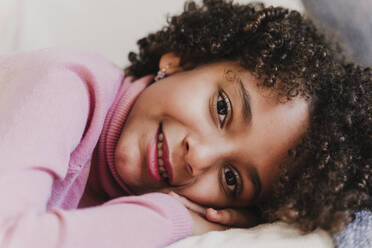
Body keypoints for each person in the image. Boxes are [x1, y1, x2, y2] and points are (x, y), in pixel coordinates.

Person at [0, 0, 370, 247]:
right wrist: (171, 217)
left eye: (231, 179)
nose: (201, 156)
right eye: (222, 109)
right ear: (183, 59)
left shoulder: (126, 202)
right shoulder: (65, 86)